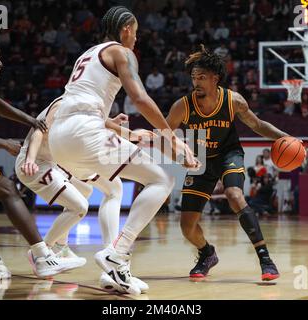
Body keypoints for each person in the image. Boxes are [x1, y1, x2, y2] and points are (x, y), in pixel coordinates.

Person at [47, 6, 198, 295]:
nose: (137, 40)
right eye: (136, 33)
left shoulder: (87, 54)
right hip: (84, 132)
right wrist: (173, 138)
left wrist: (137, 136)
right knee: (161, 180)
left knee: (113, 188)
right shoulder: (121, 52)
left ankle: (114, 271)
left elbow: (81, 104)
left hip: (60, 139)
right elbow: (140, 98)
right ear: (126, 29)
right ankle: (118, 253)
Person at [165, 45, 299, 281]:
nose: (196, 82)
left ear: (215, 78)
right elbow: (163, 135)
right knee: (187, 228)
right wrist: (179, 153)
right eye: (194, 77)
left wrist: (284, 137)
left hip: (228, 153)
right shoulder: (182, 106)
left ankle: (265, 258)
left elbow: (257, 125)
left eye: (202, 77)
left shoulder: (232, 100)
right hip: (201, 160)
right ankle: (207, 253)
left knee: (235, 194)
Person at [0, 36, 76, 280]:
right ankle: (42, 256)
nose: (0, 63)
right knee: (8, 190)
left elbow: (0, 106)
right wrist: (4, 143)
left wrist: (32, 120)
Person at [18, 100, 153, 293]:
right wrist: (30, 159)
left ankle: (105, 261)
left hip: (60, 160)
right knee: (84, 203)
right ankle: (43, 252)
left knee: (108, 189)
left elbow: (95, 119)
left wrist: (116, 124)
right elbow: (39, 130)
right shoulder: (63, 103)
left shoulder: (81, 101)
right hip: (44, 161)